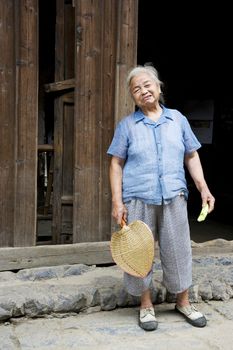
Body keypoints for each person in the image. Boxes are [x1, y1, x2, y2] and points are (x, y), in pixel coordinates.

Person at [107, 64, 215, 331]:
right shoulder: (127, 126)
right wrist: (117, 201)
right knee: (139, 253)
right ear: (132, 96)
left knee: (179, 249)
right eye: (136, 89)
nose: (143, 91)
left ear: (158, 87)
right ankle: (146, 305)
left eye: (147, 85)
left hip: (174, 194)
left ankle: (183, 302)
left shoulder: (178, 119)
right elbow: (116, 164)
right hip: (138, 197)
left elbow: (191, 155)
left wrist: (203, 187)